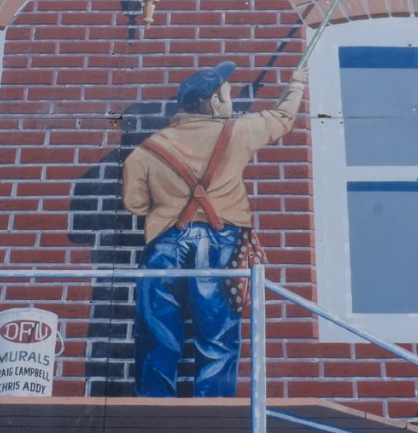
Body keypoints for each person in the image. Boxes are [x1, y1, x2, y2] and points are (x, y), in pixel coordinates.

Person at [122, 61, 308, 397]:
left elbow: (135, 204)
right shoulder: (237, 131)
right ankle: (215, 409)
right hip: (223, 242)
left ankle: (152, 410)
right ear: (213, 102)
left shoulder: (145, 151)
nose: (232, 100)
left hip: (163, 245)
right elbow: (282, 118)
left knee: (157, 330)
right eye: (227, 94)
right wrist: (296, 84)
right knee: (218, 334)